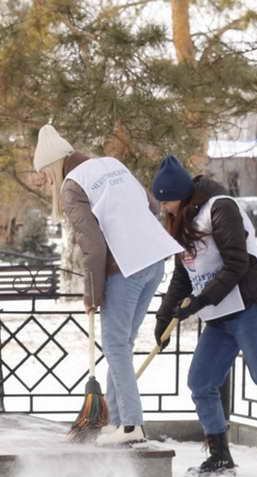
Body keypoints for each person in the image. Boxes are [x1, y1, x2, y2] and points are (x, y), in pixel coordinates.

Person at [151, 155, 257, 477]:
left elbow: (237, 263)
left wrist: (199, 302)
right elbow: (182, 274)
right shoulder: (181, 221)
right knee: (201, 382)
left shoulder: (221, 208)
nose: (165, 208)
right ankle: (219, 454)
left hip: (251, 305)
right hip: (219, 313)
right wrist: (163, 318)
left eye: (168, 201)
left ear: (183, 193)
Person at [32, 125, 181, 446]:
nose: (45, 182)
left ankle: (130, 425)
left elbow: (93, 246)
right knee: (121, 347)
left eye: (44, 174)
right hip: (154, 261)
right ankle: (116, 420)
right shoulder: (112, 164)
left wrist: (92, 294)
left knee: (115, 347)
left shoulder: (71, 188)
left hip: (125, 267)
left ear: (52, 166)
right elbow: (153, 206)